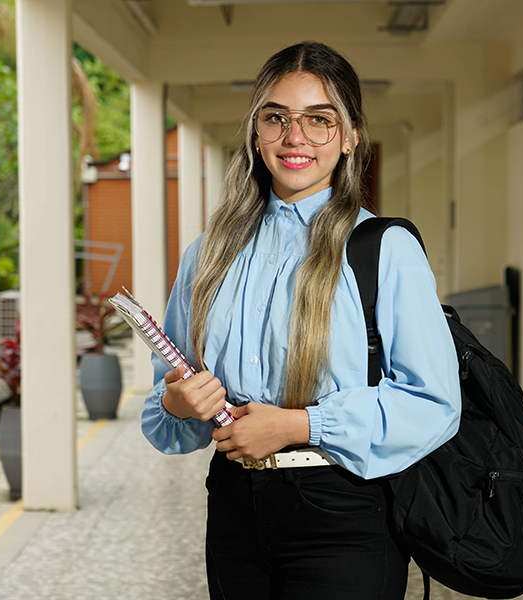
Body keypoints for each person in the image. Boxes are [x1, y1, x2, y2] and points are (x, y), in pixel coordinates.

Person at [141, 40, 461, 600]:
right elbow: (166, 407)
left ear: (351, 134)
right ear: (255, 132)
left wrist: (298, 425)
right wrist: (176, 403)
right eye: (277, 118)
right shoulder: (207, 255)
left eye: (320, 120)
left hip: (345, 510)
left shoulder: (383, 250)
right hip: (235, 509)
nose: (295, 138)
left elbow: (434, 403)